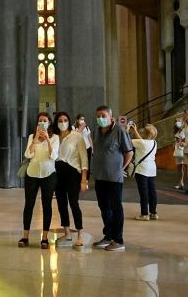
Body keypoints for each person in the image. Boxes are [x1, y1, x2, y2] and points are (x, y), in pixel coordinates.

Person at [91, 105, 134, 252]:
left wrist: (122, 168)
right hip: (100, 176)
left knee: (116, 207)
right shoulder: (96, 132)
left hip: (114, 177)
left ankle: (118, 239)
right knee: (104, 207)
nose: (100, 119)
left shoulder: (119, 131)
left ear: (111, 117)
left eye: (103, 116)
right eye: (98, 116)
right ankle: (108, 236)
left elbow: (129, 152)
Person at [18, 112, 59, 249]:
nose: (42, 122)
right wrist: (35, 139)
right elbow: (28, 154)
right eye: (40, 120)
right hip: (32, 173)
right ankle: (25, 236)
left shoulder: (55, 138)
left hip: (48, 174)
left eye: (45, 120)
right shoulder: (31, 137)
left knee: (47, 205)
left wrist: (47, 140)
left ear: (49, 123)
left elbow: (53, 156)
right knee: (29, 204)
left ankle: (45, 237)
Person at [53, 112, 89, 248]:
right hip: (58, 172)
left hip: (73, 172)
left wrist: (84, 179)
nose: (63, 122)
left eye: (65, 120)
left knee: (74, 203)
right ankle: (67, 232)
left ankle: (80, 234)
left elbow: (84, 158)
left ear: (69, 121)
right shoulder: (55, 137)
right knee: (61, 203)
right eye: (60, 120)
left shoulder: (77, 136)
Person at [129, 123, 159, 221]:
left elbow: (126, 141)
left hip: (142, 169)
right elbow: (141, 141)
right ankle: (153, 213)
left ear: (145, 133)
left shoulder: (141, 143)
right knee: (152, 191)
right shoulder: (154, 142)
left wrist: (126, 130)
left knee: (143, 192)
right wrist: (135, 131)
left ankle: (144, 214)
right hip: (152, 169)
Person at [173, 118, 187, 190]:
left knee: (187, 167)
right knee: (179, 168)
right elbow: (176, 140)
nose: (177, 122)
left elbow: (186, 140)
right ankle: (180, 183)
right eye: (176, 121)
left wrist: (181, 141)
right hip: (177, 151)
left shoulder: (185, 130)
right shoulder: (177, 131)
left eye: (179, 121)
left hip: (183, 150)